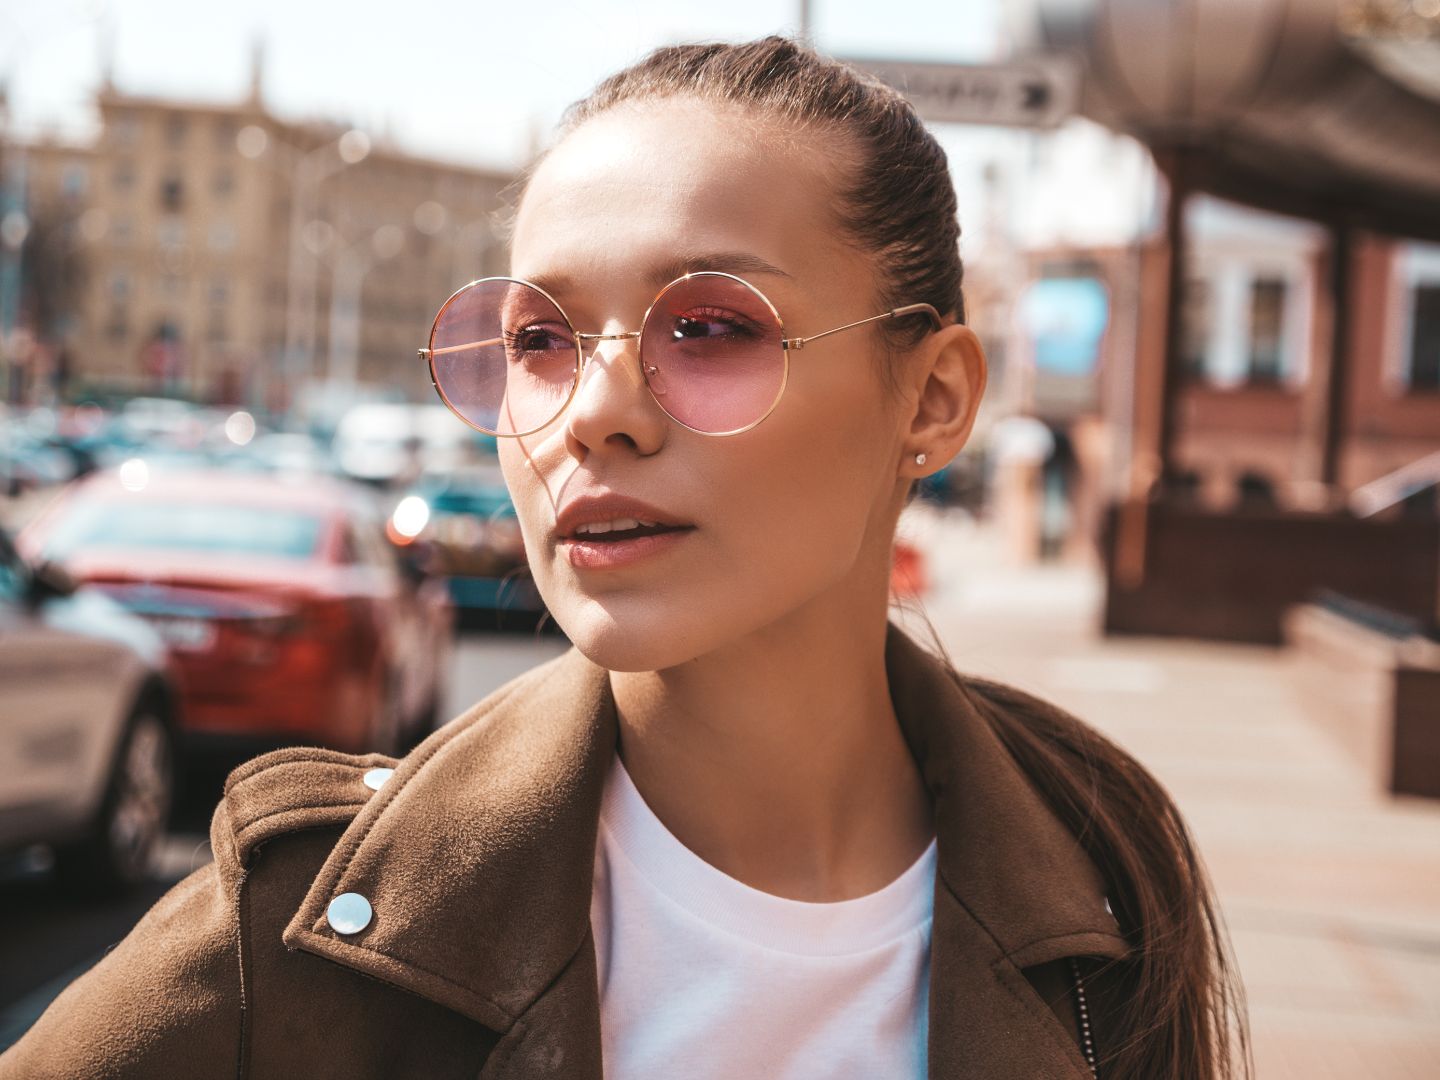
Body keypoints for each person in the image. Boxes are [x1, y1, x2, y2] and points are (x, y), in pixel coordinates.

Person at [0, 36, 1250, 1080]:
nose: (594, 409)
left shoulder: (1099, 868)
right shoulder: (290, 936)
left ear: (931, 397)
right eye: (538, 337)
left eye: (708, 326)